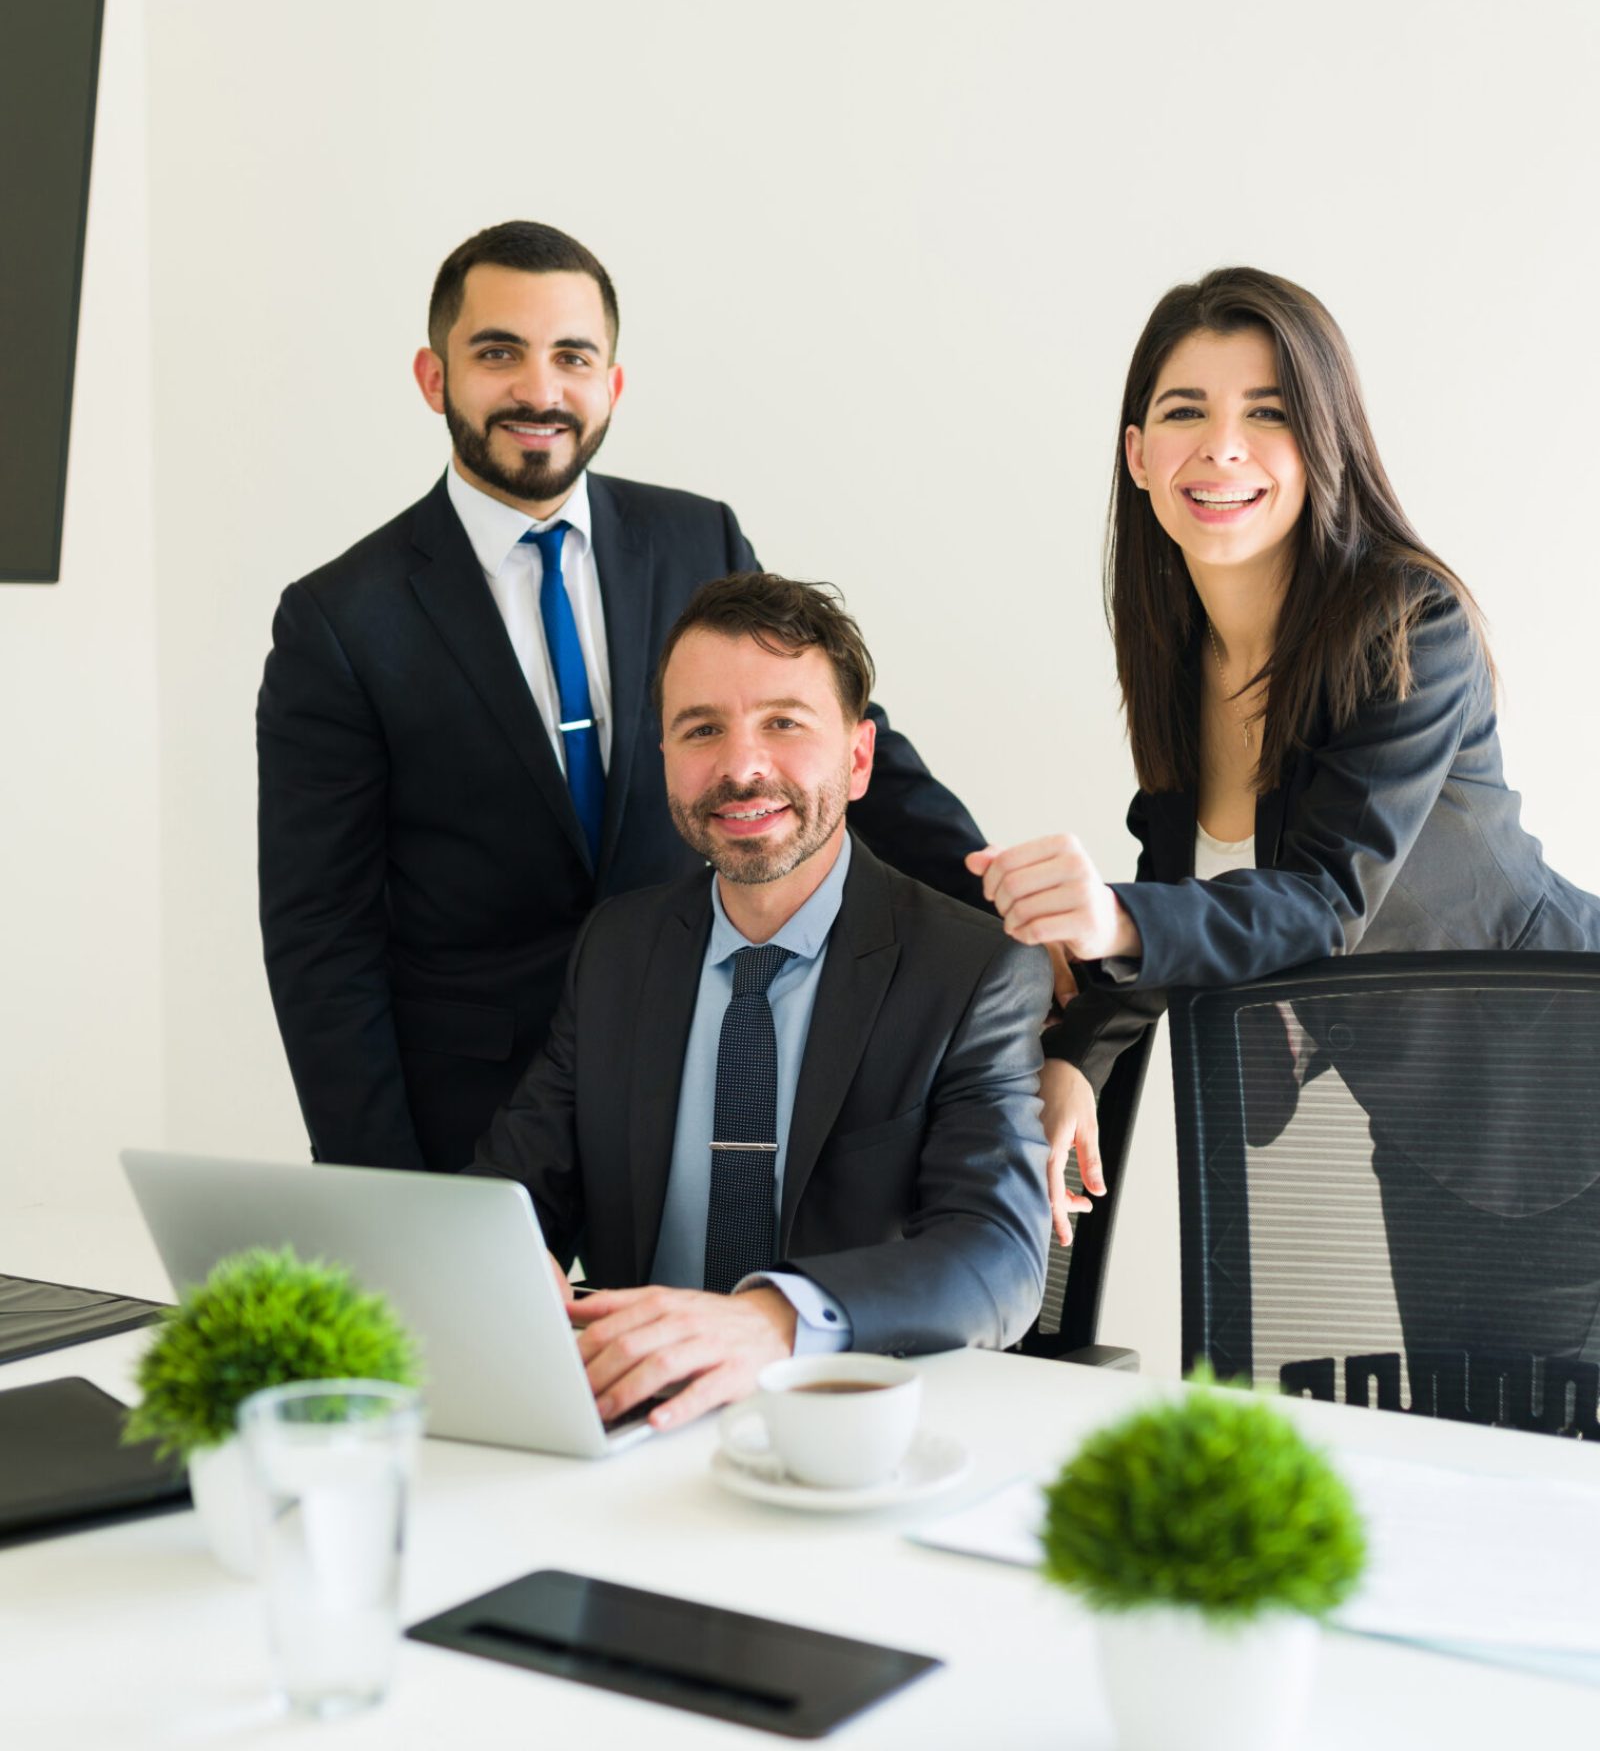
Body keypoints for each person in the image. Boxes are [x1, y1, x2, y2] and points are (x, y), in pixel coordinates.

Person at [257, 221, 986, 1174]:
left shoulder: (698, 541)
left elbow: (849, 755)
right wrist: (387, 1195)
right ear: (435, 378)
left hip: (689, 1070)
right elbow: (321, 940)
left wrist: (1002, 909)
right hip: (469, 1113)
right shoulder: (340, 619)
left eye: (572, 356)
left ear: (613, 384)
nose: (539, 390)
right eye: (497, 353)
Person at [970, 267, 1600, 1298]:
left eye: (1266, 413)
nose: (1220, 445)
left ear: (1322, 444)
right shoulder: (1184, 662)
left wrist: (1110, 919)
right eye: (1185, 411)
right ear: (1137, 456)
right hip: (1426, 1124)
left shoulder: (1409, 624)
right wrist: (1076, 1060)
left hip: (1553, 1092)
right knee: (1436, 1440)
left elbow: (1321, 899)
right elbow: (1186, 890)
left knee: (1509, 1452)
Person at [466, 573, 1050, 1430]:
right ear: (664, 758)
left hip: (846, 1427)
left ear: (857, 761)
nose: (741, 768)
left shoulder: (971, 969)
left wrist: (770, 1321)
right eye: (701, 729)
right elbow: (513, 1190)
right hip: (636, 1421)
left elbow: (998, 1260)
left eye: (783, 723)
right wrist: (507, 1260)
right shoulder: (618, 950)